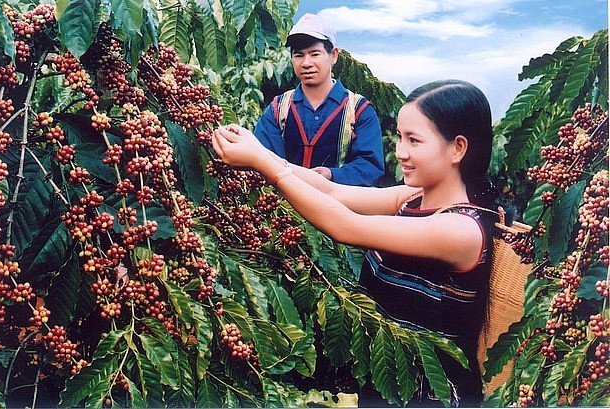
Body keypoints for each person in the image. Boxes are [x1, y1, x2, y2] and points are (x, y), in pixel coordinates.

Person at [212, 79, 498, 406]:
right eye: (400, 137)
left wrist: (266, 166)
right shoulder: (411, 199)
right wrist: (261, 154)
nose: (400, 152)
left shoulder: (460, 229)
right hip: (389, 384)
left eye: (414, 141)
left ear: (457, 148)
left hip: (432, 396)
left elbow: (346, 226)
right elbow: (332, 192)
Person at [254, 13, 385, 186]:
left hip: (340, 208)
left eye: (315, 54)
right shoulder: (279, 108)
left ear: (334, 56)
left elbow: (371, 165)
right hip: (284, 208)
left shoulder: (358, 110)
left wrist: (333, 174)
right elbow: (262, 157)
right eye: (299, 55)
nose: (306, 63)